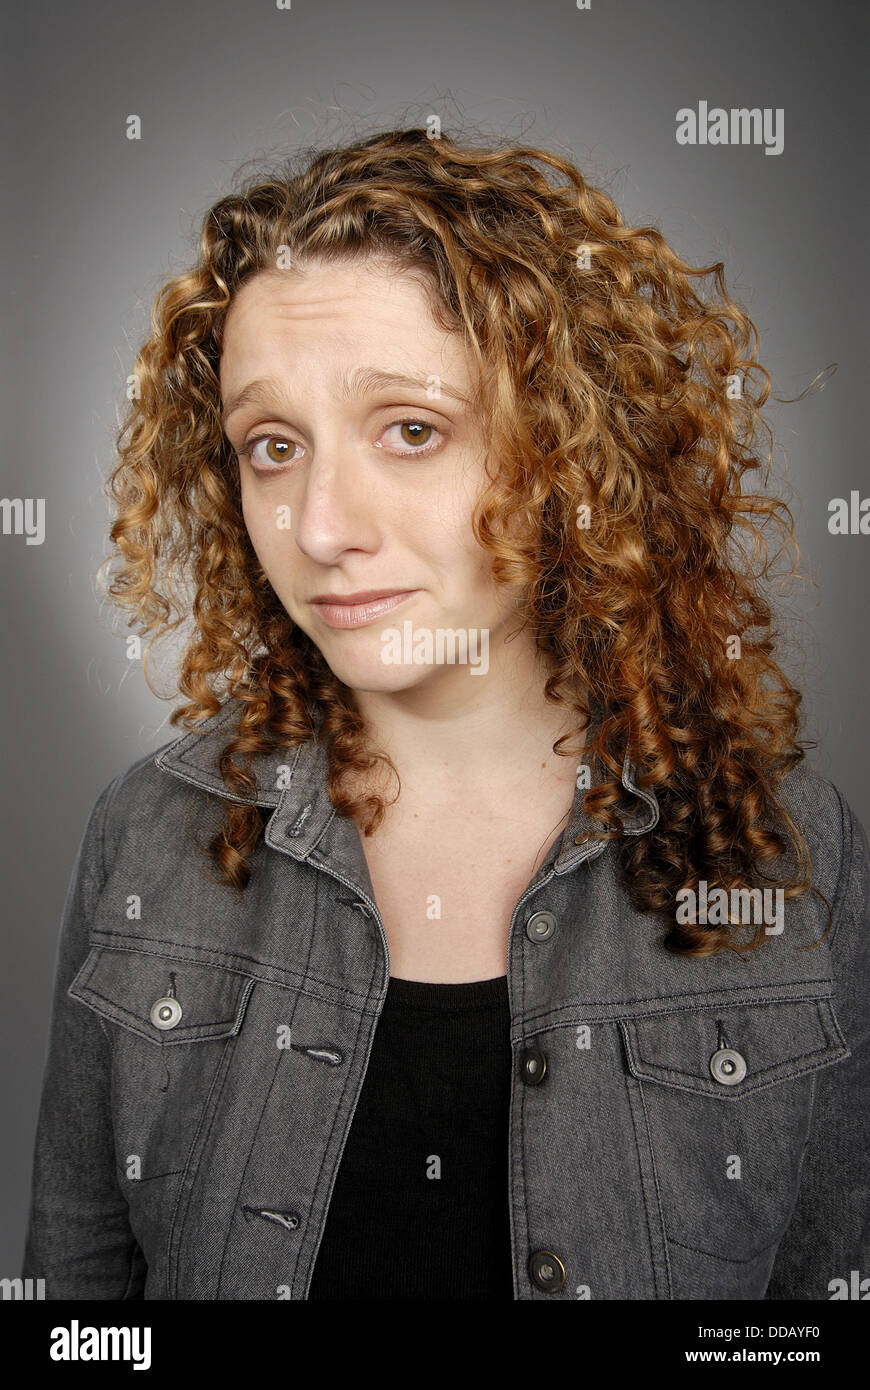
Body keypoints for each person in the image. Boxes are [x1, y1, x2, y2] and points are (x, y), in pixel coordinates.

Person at [22, 126, 869, 1300]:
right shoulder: (146, 834)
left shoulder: (793, 856)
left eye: (411, 430)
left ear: (566, 446)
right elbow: (76, 1311)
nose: (321, 526)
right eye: (273, 447)